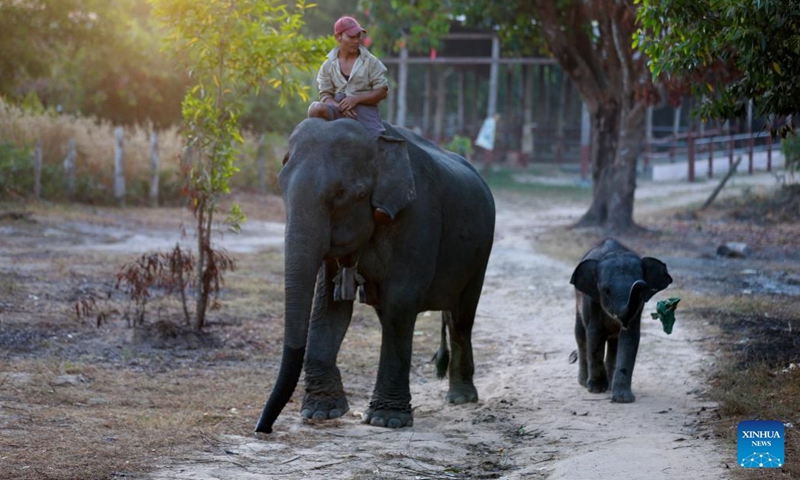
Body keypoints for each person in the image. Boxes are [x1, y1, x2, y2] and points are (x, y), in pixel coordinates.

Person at [307, 16, 388, 136]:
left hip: (363, 110)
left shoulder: (371, 62)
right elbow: (325, 95)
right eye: (351, 37)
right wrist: (341, 107)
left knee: (377, 142)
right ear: (338, 37)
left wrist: (356, 99)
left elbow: (382, 91)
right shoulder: (328, 65)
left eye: (358, 36)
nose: (356, 41)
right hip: (337, 109)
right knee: (315, 108)